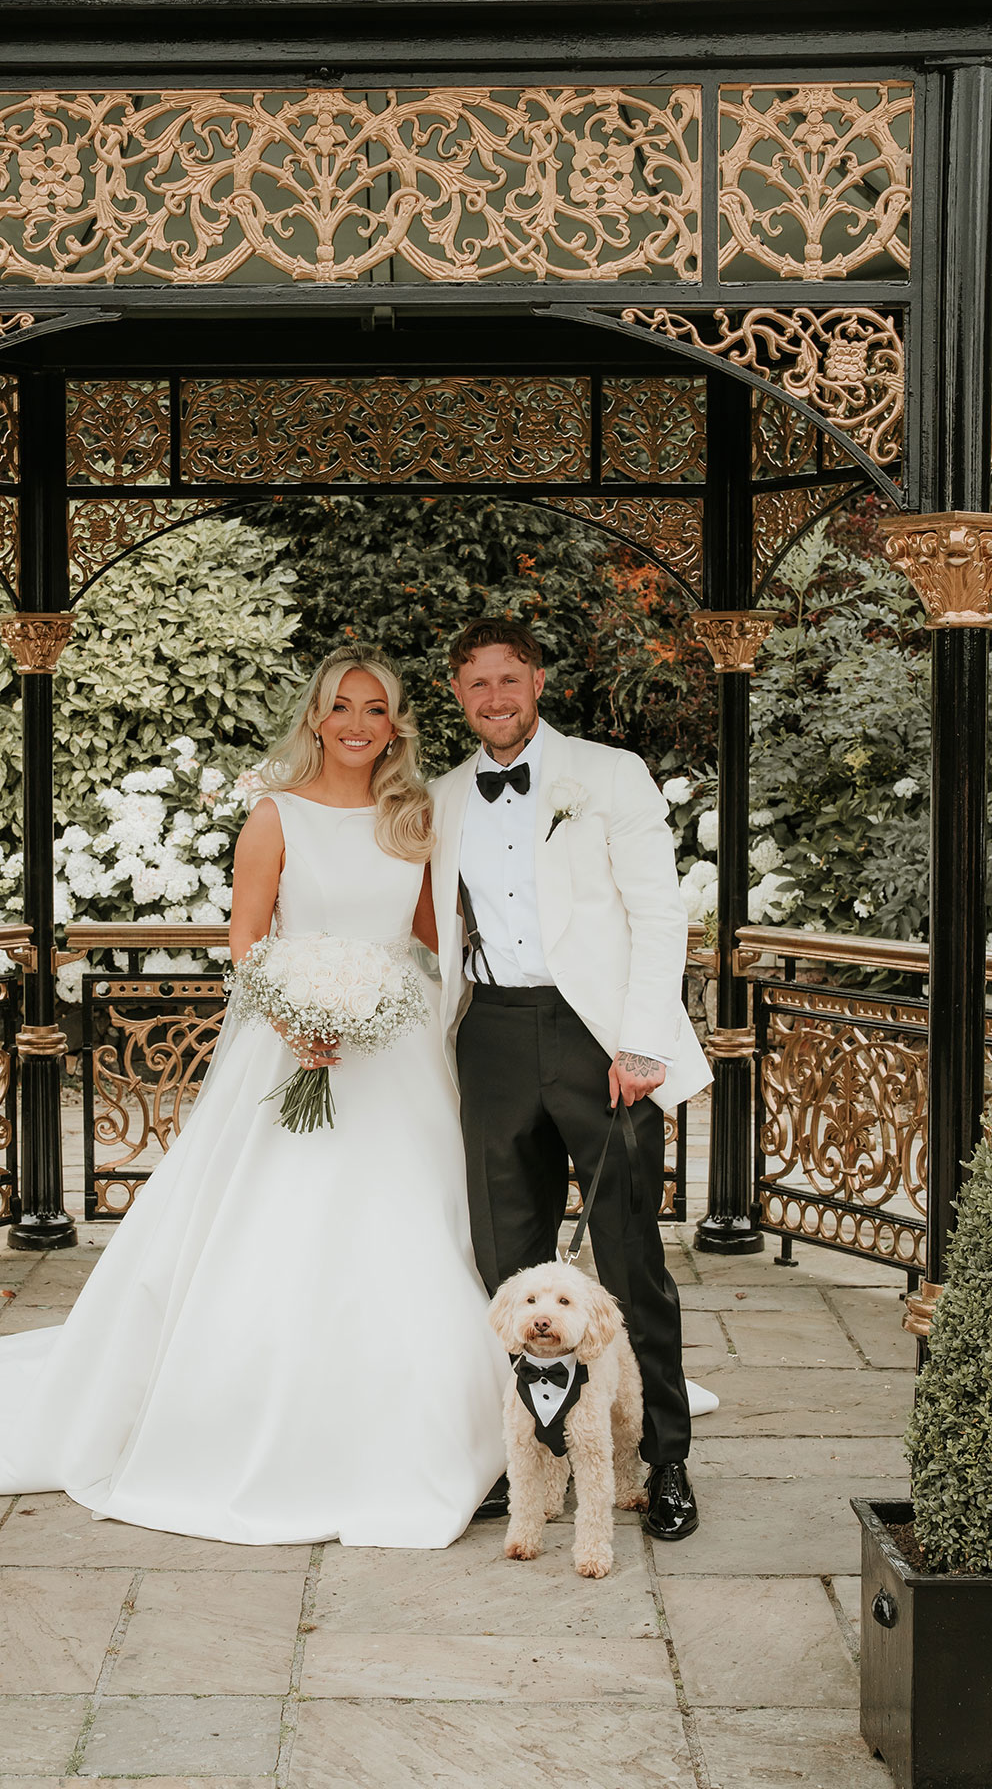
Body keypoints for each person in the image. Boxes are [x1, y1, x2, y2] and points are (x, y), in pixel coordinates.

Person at [0, 645, 507, 1547]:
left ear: (396, 724)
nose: (356, 724)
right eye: (341, 706)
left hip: (397, 1047)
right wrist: (298, 1015)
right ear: (315, 717)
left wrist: (415, 1001)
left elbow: (433, 933)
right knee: (278, 1221)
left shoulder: (414, 817)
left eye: (375, 709)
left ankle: (430, 1410)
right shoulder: (275, 817)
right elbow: (247, 940)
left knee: (416, 1217)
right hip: (292, 1043)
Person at [429, 617, 713, 1541]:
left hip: (598, 1039)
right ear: (460, 694)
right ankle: (535, 1459)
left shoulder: (609, 772)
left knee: (629, 1259)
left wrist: (641, 1041)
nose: (495, 700)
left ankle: (663, 1458)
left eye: (510, 680)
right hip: (495, 1035)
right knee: (508, 1263)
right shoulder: (441, 797)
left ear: (538, 682)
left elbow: (657, 910)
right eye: (478, 684)